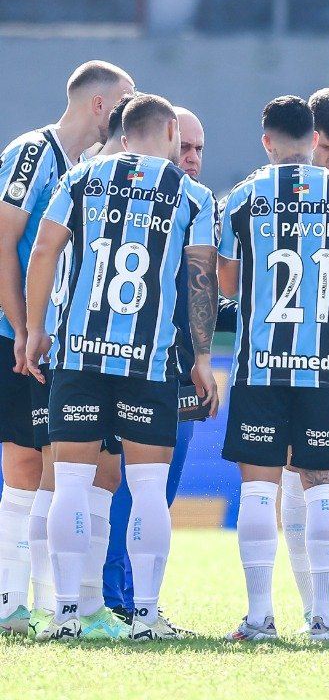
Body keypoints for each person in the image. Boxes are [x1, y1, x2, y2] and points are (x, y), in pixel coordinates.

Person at [23, 93, 218, 641]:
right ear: (171, 137)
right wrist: (201, 357)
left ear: (125, 134)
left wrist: (36, 329)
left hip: (80, 356)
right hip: (148, 362)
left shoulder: (81, 180)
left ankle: (65, 614)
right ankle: (146, 618)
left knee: (71, 484)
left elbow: (43, 252)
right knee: (149, 488)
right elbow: (200, 278)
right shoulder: (193, 195)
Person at [219, 96, 329, 643]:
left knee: (259, 492)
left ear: (266, 141)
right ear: (315, 140)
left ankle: (260, 618)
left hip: (259, 368)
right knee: (322, 490)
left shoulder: (242, 199)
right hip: (327, 370)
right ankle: (324, 619)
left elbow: (224, 285)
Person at [0, 60, 135, 639]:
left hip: (77, 347)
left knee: (84, 471)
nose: (131, 112)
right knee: (28, 469)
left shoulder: (95, 169)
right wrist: (24, 329)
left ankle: (70, 608)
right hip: (23, 341)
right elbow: (4, 243)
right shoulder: (34, 152)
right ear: (101, 105)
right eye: (125, 102)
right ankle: (13, 605)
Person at [100, 103, 204, 636]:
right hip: (123, 363)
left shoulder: (198, 207)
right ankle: (108, 598)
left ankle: (141, 602)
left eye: (198, 150)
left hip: (180, 371)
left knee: (157, 489)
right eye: (182, 145)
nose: (189, 158)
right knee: (115, 480)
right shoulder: (120, 198)